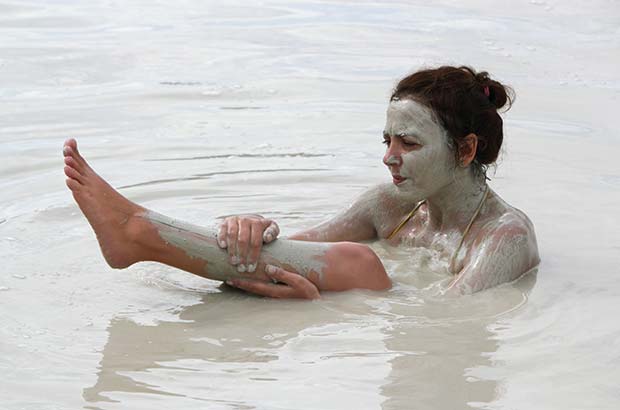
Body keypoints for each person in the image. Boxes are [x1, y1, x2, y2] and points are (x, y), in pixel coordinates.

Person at [62, 65, 540, 299]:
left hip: (409, 323)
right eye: (387, 140)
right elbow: (297, 247)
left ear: (466, 150)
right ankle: (135, 236)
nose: (389, 158)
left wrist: (323, 301)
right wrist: (256, 229)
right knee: (348, 259)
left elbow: (449, 322)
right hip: (379, 302)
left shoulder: (505, 237)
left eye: (409, 144)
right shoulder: (389, 204)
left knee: (360, 264)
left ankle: (139, 233)